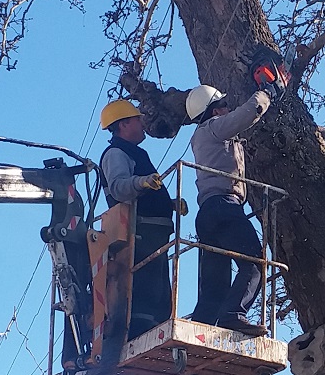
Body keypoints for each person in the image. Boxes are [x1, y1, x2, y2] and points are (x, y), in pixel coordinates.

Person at [185, 66, 286, 333]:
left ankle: (200, 328)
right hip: (225, 207)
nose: (227, 109)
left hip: (207, 213)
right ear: (215, 110)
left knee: (214, 284)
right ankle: (232, 314)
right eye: (224, 106)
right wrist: (267, 93)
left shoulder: (206, 138)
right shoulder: (214, 128)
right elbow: (245, 114)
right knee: (255, 263)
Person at [99, 99, 175, 336]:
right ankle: (141, 328)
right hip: (139, 229)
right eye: (136, 120)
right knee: (146, 282)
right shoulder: (116, 153)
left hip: (155, 230)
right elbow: (118, 188)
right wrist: (141, 182)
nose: (142, 124)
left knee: (160, 287)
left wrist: (169, 203)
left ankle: (157, 325)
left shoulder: (134, 152)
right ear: (122, 125)